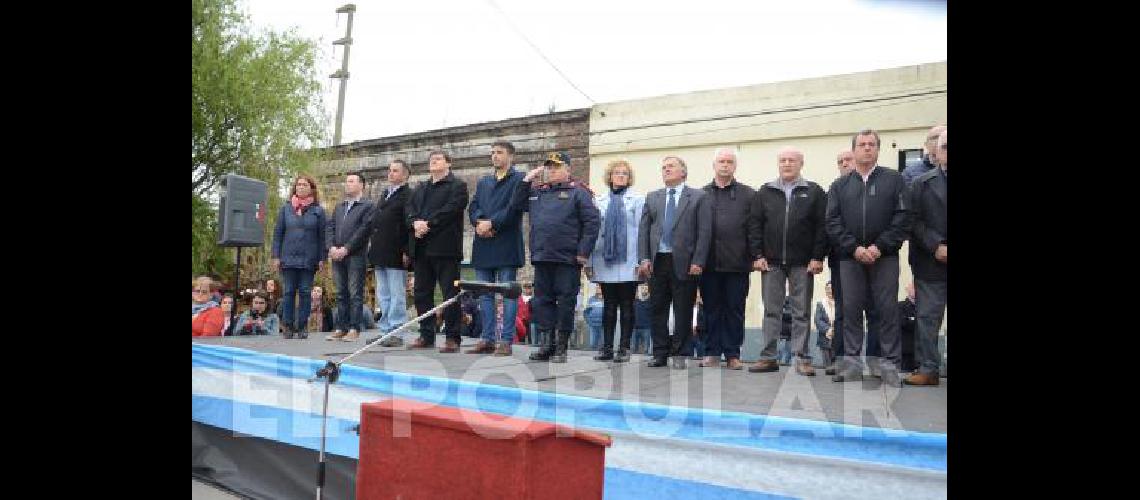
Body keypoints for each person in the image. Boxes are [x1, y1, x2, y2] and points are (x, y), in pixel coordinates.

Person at [825, 129, 912, 386]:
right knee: (851, 311)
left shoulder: (894, 180)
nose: (866, 148)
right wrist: (854, 248)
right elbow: (832, 222)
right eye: (861, 144)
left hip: (884, 258)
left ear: (877, 149)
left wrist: (879, 247)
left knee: (886, 312)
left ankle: (890, 366)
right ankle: (852, 365)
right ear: (853, 150)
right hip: (849, 259)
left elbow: (903, 218)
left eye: (871, 144)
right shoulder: (839, 186)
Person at [747, 147, 828, 377]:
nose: (786, 164)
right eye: (782, 160)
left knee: (801, 311)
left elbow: (822, 227)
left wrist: (817, 256)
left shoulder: (813, 192)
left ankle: (802, 358)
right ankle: (768, 357)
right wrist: (757, 255)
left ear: (801, 163)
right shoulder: (765, 192)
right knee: (771, 310)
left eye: (791, 160)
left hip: (803, 263)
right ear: (778, 164)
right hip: (770, 262)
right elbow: (754, 225)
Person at [518, 152, 600, 363]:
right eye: (549, 167)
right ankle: (547, 344)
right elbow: (517, 205)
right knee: (542, 301)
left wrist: (583, 252)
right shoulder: (538, 192)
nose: (552, 170)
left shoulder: (579, 192)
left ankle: (561, 346)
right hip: (542, 255)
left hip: (568, 258)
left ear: (568, 169)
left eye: (556, 166)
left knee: (565, 301)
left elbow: (592, 223)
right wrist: (526, 181)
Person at [638, 155, 712, 370]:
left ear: (683, 172)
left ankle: (681, 353)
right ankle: (660, 353)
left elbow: (704, 232)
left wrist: (698, 260)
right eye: (663, 167)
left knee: (683, 310)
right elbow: (644, 231)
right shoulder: (652, 197)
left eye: (671, 166)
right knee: (657, 309)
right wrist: (643, 258)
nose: (666, 170)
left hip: (685, 262)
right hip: (657, 261)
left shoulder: (698, 197)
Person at [466, 141, 528, 356]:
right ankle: (487, 339)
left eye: (499, 152)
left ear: (511, 156)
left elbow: (514, 208)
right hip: (484, 243)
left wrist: (492, 223)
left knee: (508, 294)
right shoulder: (484, 182)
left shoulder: (519, 179)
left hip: (506, 243)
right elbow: (473, 207)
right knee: (485, 294)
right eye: (492, 153)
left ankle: (506, 340)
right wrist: (479, 223)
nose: (494, 156)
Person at [406, 150, 469, 353]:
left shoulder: (457, 186)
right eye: (431, 159)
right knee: (421, 293)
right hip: (422, 248)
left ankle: (452, 337)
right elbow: (409, 209)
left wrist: (428, 224)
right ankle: (426, 334)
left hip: (446, 249)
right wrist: (415, 223)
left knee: (450, 293)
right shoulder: (421, 187)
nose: (433, 160)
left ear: (449, 163)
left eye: (439, 158)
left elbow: (451, 210)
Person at [698, 148, 755, 370]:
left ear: (735, 166)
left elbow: (754, 229)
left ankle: (732, 354)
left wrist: (754, 257)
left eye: (729, 161)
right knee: (710, 309)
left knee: (735, 309)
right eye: (721, 161)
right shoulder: (700, 194)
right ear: (714, 165)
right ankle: (711, 352)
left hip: (738, 264)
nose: (725, 165)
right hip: (708, 264)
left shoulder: (749, 195)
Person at [587, 159, 646, 362]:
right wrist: (589, 263)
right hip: (605, 259)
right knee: (609, 306)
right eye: (617, 173)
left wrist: (642, 260)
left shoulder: (638, 200)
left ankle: (624, 348)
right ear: (610, 176)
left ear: (629, 178)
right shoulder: (599, 200)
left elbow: (641, 232)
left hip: (629, 260)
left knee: (627, 305)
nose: (621, 176)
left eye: (625, 173)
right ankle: (607, 348)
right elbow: (594, 233)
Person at [905, 128, 948, 386]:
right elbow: (912, 220)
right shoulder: (920, 184)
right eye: (945, 147)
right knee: (928, 318)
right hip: (931, 262)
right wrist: (936, 245)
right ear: (937, 152)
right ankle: (929, 369)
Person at [271, 174, 328, 339]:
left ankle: (302, 326)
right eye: (298, 184)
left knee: (304, 292)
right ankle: (287, 325)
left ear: (311, 188)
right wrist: (276, 256)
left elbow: (323, 236)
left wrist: (323, 258)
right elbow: (278, 233)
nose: (301, 187)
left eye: (304, 184)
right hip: (288, 258)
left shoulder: (318, 211)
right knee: (288, 292)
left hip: (309, 258)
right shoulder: (286, 208)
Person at [365, 160, 412, 346]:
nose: (390, 174)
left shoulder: (408, 194)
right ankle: (385, 330)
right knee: (383, 293)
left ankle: (397, 331)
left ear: (405, 175)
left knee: (396, 294)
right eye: (389, 170)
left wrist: (407, 250)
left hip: (396, 252)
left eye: (395, 171)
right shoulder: (385, 194)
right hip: (380, 251)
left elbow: (408, 225)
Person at [325, 172, 375, 342]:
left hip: (355, 256)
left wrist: (346, 248)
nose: (347, 184)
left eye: (352, 181)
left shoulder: (367, 206)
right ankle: (341, 327)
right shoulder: (339, 207)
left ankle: (354, 328)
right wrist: (331, 247)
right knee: (340, 292)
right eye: (346, 181)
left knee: (355, 293)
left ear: (362, 185)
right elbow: (330, 228)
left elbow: (364, 230)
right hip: (337, 255)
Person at [814, 281, 837, 368]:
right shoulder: (821, 304)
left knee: (836, 365)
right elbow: (818, 320)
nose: (830, 291)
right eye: (828, 289)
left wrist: (835, 329)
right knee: (827, 366)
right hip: (824, 338)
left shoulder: (839, 303)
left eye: (832, 289)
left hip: (837, 338)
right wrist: (828, 329)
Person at [898, 282, 919, 373]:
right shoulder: (900, 306)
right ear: (907, 289)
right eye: (914, 287)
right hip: (905, 354)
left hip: (920, 354)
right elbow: (903, 323)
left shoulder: (925, 309)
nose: (917, 290)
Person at [631, 284, 652, 354]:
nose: (644, 289)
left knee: (646, 349)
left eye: (645, 288)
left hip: (647, 328)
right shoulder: (635, 301)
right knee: (633, 350)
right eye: (642, 288)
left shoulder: (651, 301)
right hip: (635, 328)